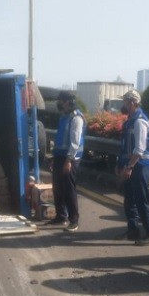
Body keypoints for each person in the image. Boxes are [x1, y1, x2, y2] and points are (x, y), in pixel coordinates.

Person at [116, 89, 149, 246]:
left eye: (126, 102)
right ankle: (133, 229)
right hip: (131, 165)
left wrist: (129, 167)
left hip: (140, 166)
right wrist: (120, 165)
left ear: (132, 103)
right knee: (129, 200)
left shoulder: (140, 121)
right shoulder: (130, 121)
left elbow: (139, 149)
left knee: (141, 200)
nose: (124, 104)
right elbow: (124, 147)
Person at [47, 90, 87, 232]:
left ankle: (74, 220)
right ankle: (60, 216)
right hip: (60, 156)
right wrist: (54, 157)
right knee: (57, 187)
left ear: (68, 102)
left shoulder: (76, 118)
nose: (59, 103)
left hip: (70, 158)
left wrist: (69, 160)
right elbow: (59, 140)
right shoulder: (64, 117)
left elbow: (75, 142)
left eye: (61, 101)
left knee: (69, 189)